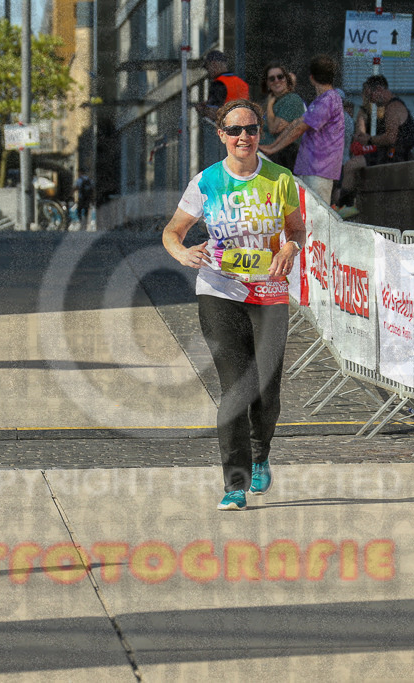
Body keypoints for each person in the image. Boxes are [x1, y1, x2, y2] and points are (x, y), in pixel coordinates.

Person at [162, 99, 306, 511]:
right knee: (235, 385)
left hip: (270, 293)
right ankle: (235, 483)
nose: (244, 137)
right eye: (235, 130)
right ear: (221, 136)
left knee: (267, 390)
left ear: (260, 134)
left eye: (252, 129)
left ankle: (260, 454)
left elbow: (297, 229)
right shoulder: (206, 182)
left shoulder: (281, 179)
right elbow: (174, 230)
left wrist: (290, 249)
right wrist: (183, 253)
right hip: (219, 290)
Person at [258, 55, 345, 205]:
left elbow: (299, 128)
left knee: (318, 218)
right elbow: (297, 123)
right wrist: (272, 147)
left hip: (319, 170)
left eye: (280, 77)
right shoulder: (323, 100)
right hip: (310, 168)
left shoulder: (328, 100)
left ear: (311, 78)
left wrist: (273, 149)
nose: (277, 81)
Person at [259, 62, 305, 170]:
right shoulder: (274, 100)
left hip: (282, 159)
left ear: (286, 79)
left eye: (280, 77)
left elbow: (275, 128)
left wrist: (269, 106)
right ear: (268, 83)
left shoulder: (292, 99)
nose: (276, 81)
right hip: (265, 157)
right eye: (272, 79)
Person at [194, 50, 250, 122]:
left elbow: (212, 114)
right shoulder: (242, 83)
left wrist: (202, 110)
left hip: (226, 127)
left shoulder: (218, 83)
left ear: (214, 64)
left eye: (207, 68)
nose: (208, 71)